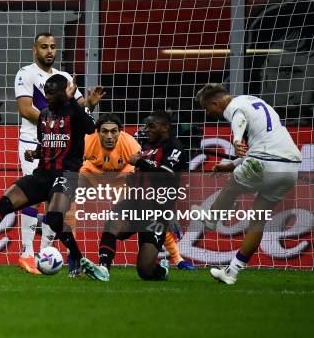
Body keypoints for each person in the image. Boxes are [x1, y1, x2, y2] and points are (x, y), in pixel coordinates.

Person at [0, 74, 95, 277]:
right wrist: (36, 153)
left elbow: (91, 128)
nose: (47, 97)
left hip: (67, 174)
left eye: (52, 93)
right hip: (42, 175)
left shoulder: (74, 112)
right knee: (4, 203)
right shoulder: (44, 115)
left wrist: (73, 99)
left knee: (55, 218)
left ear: (63, 92)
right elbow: (47, 145)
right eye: (46, 93)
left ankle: (76, 257)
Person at [14, 32, 104, 274]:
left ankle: (46, 253)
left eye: (53, 47)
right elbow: (25, 109)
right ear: (35, 50)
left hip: (62, 145)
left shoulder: (64, 77)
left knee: (54, 203)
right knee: (34, 193)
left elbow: (76, 109)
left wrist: (90, 104)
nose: (49, 51)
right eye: (44, 47)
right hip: (33, 141)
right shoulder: (26, 73)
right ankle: (27, 253)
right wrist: (53, 122)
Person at [196, 84, 302, 284]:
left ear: (215, 103)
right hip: (289, 168)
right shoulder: (255, 101)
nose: (209, 113)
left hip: (265, 161)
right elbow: (263, 142)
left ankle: (210, 220)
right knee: (258, 220)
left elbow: (239, 118)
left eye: (207, 108)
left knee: (232, 186)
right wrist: (233, 164)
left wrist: (236, 140)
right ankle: (232, 272)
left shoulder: (234, 106)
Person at [79, 113, 196, 271]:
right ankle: (103, 268)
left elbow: (165, 176)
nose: (147, 130)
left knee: (145, 270)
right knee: (112, 224)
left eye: (151, 126)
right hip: (134, 203)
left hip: (156, 209)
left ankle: (164, 269)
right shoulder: (146, 146)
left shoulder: (174, 147)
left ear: (165, 128)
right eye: (146, 126)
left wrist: (140, 162)